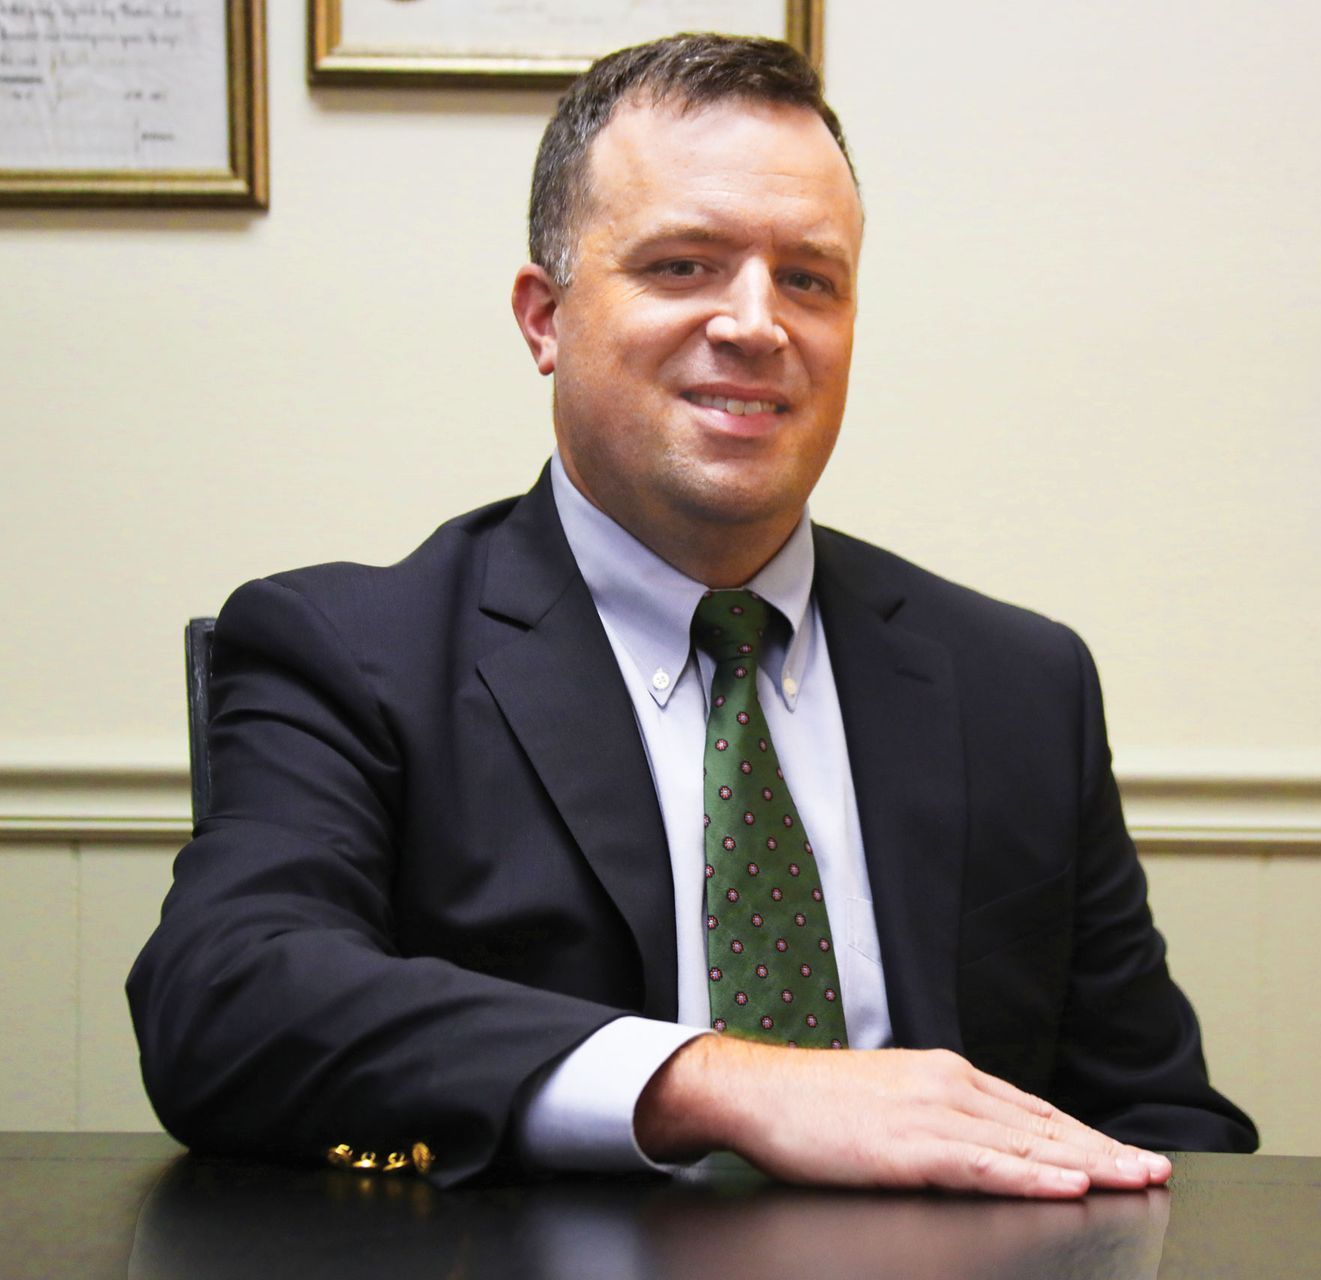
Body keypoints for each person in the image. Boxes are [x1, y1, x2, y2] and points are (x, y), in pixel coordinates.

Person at [128, 33, 1256, 1196]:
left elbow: (1160, 1119)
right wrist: (721, 1081)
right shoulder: (351, 653)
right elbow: (225, 998)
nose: (757, 322)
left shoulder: (1020, 681)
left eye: (809, 278)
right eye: (682, 265)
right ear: (544, 318)